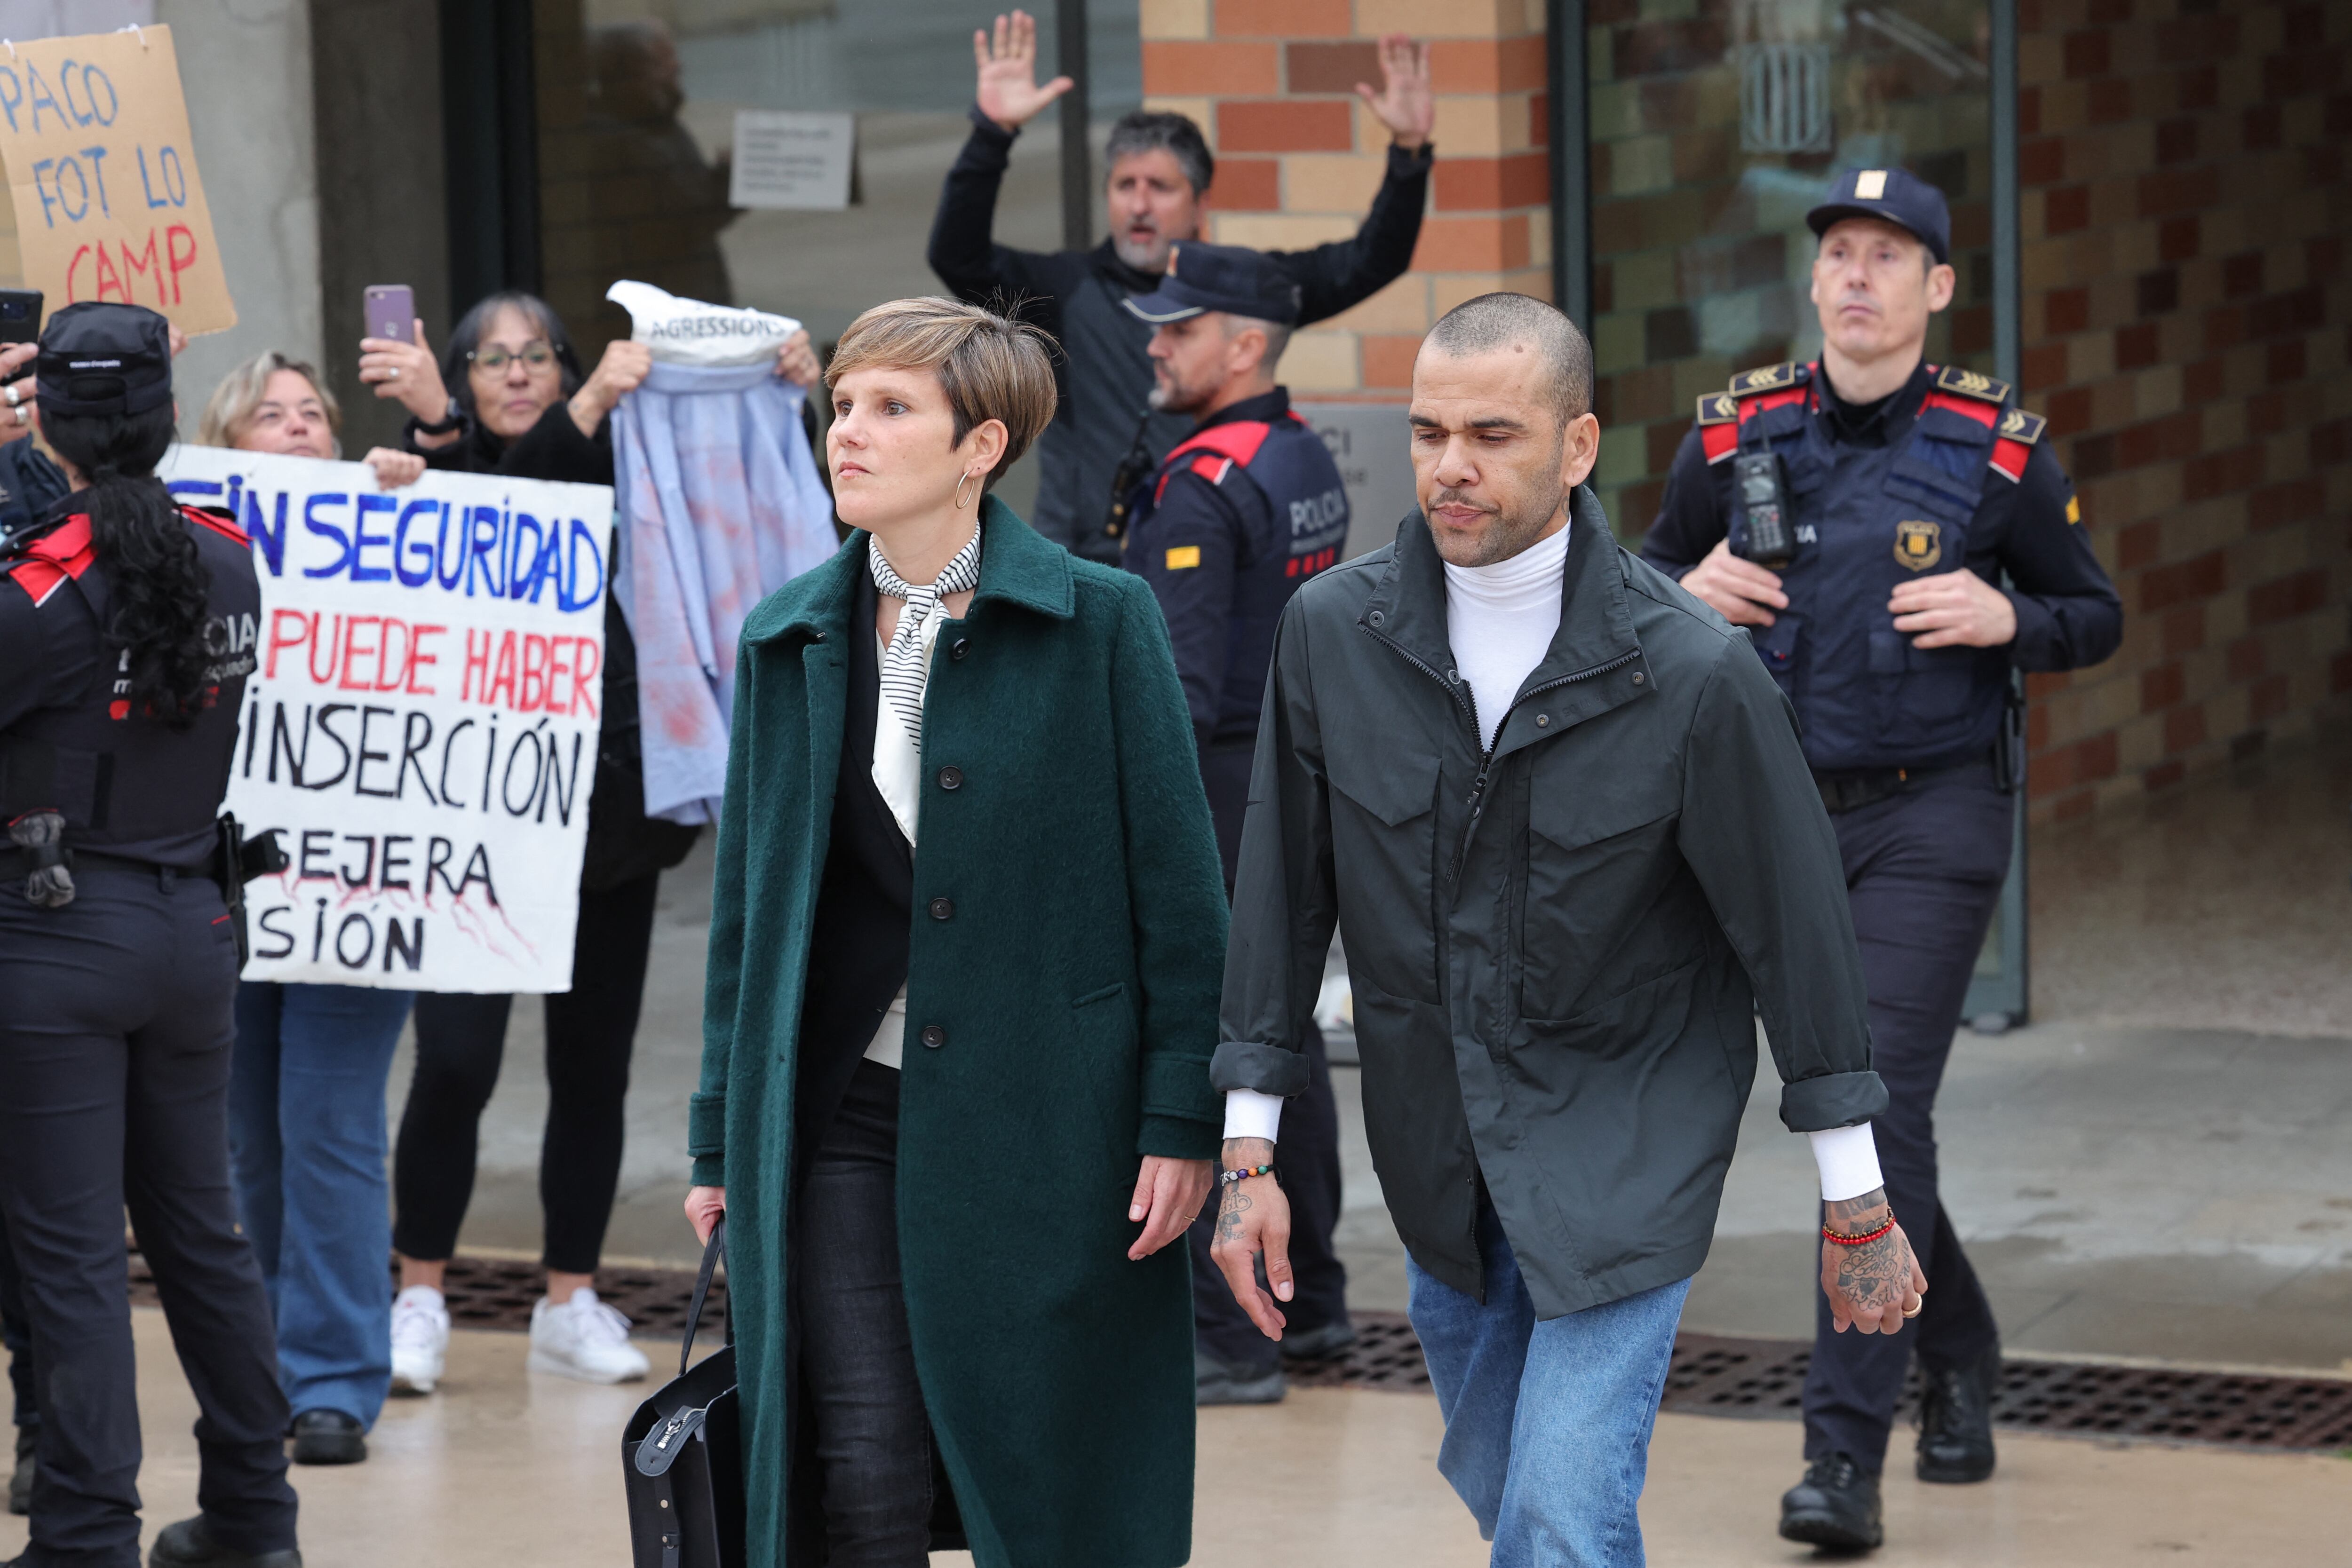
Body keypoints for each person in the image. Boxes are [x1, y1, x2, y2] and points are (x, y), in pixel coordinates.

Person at [1209, 292, 1926, 1567]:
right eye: (1429, 432)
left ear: (1579, 445)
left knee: (1554, 1509)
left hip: (1624, 1146)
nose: (1451, 466)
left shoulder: (1695, 671)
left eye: (1491, 432)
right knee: (1511, 1486)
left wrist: (1854, 1198)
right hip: (1440, 1151)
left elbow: (1797, 939)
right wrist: (1247, 1152)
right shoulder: (1332, 634)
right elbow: (1279, 899)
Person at [682, 296, 1227, 1568]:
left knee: (1042, 1483)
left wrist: (1178, 1120)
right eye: (845, 406)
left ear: (982, 446)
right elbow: (747, 922)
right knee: (863, 1469)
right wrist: (721, 1133)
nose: (849, 434)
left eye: (891, 408)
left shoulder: (1103, 623)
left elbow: (1184, 903)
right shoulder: (787, 637)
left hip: (1051, 1123)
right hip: (844, 1120)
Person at [1640, 167, 2122, 1551]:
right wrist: (1680, 595)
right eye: (1837, 253)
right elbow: (1627, 582)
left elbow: (2093, 616)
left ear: (1936, 288)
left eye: (1885, 255)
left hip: (1933, 812)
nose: (1855, 275)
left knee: (1868, 1106)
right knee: (1874, 1120)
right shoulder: (1735, 431)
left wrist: (2005, 613)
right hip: (1772, 814)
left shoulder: (2000, 449)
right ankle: (1956, 1345)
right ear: (1812, 282)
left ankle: (1840, 1458)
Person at [356, 293, 822, 1391]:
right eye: (491, 360)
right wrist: (441, 432)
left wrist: (792, 400)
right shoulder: (431, 469)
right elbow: (508, 502)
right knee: (456, 1066)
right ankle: (418, 1289)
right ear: (462, 379)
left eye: (537, 357)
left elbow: (745, 510)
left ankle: (571, 1295)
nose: (516, 374)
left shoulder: (629, 460)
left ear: (569, 369)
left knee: (592, 1072)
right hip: (483, 831)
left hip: (606, 834)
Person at [0, 302, 301, 1568]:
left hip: (56, 938)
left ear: (48, 425)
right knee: (204, 1236)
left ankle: (83, 1538)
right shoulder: (229, 555)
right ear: (171, 417)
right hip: (196, 927)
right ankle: (253, 1516)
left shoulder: (37, 589)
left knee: (69, 1256)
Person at [929, 10, 1433, 563]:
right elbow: (957, 254)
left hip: (1206, 553)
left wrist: (1408, 152)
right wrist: (991, 134)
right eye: (1125, 185)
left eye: (1160, 187)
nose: (1139, 204)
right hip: (1084, 566)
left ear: (1200, 204)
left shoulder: (1243, 291)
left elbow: (1369, 262)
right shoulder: (1062, 290)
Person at [1114, 242, 1354, 1405]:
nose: (1153, 344)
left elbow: (1174, 694)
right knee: (1282, 1038)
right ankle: (1313, 1303)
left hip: (1215, 797)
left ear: (1244, 345)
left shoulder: (1203, 485)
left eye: (1178, 328)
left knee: (1221, 1052)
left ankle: (1235, 1336)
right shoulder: (1301, 453)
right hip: (1292, 778)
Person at [192, 353, 421, 1469]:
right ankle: (278, 1358)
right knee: (248, 1135)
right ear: (221, 447)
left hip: (355, 886)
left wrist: (419, 490)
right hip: (226, 885)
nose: (293, 427)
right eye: (266, 416)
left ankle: (333, 1377)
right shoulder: (188, 543)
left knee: (326, 1126)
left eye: (309, 412)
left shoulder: (395, 520)